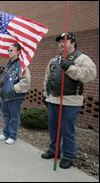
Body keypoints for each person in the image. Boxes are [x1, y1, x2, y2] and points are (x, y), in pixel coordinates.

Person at [41, 32, 96, 169]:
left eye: (64, 41)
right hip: (53, 100)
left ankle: (68, 156)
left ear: (73, 43)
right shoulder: (54, 60)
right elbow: (47, 78)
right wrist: (45, 94)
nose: (60, 43)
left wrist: (70, 68)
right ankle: (54, 151)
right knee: (53, 129)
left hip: (70, 102)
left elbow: (90, 75)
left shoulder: (82, 58)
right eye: (59, 41)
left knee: (67, 131)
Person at [0, 43, 31, 145]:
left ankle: (12, 135)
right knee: (6, 115)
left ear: (18, 51)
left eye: (11, 50)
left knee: (14, 117)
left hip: (14, 95)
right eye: (8, 50)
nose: (9, 52)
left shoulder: (22, 64)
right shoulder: (9, 64)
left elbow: (26, 81)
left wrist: (12, 89)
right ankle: (6, 133)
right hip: (4, 95)